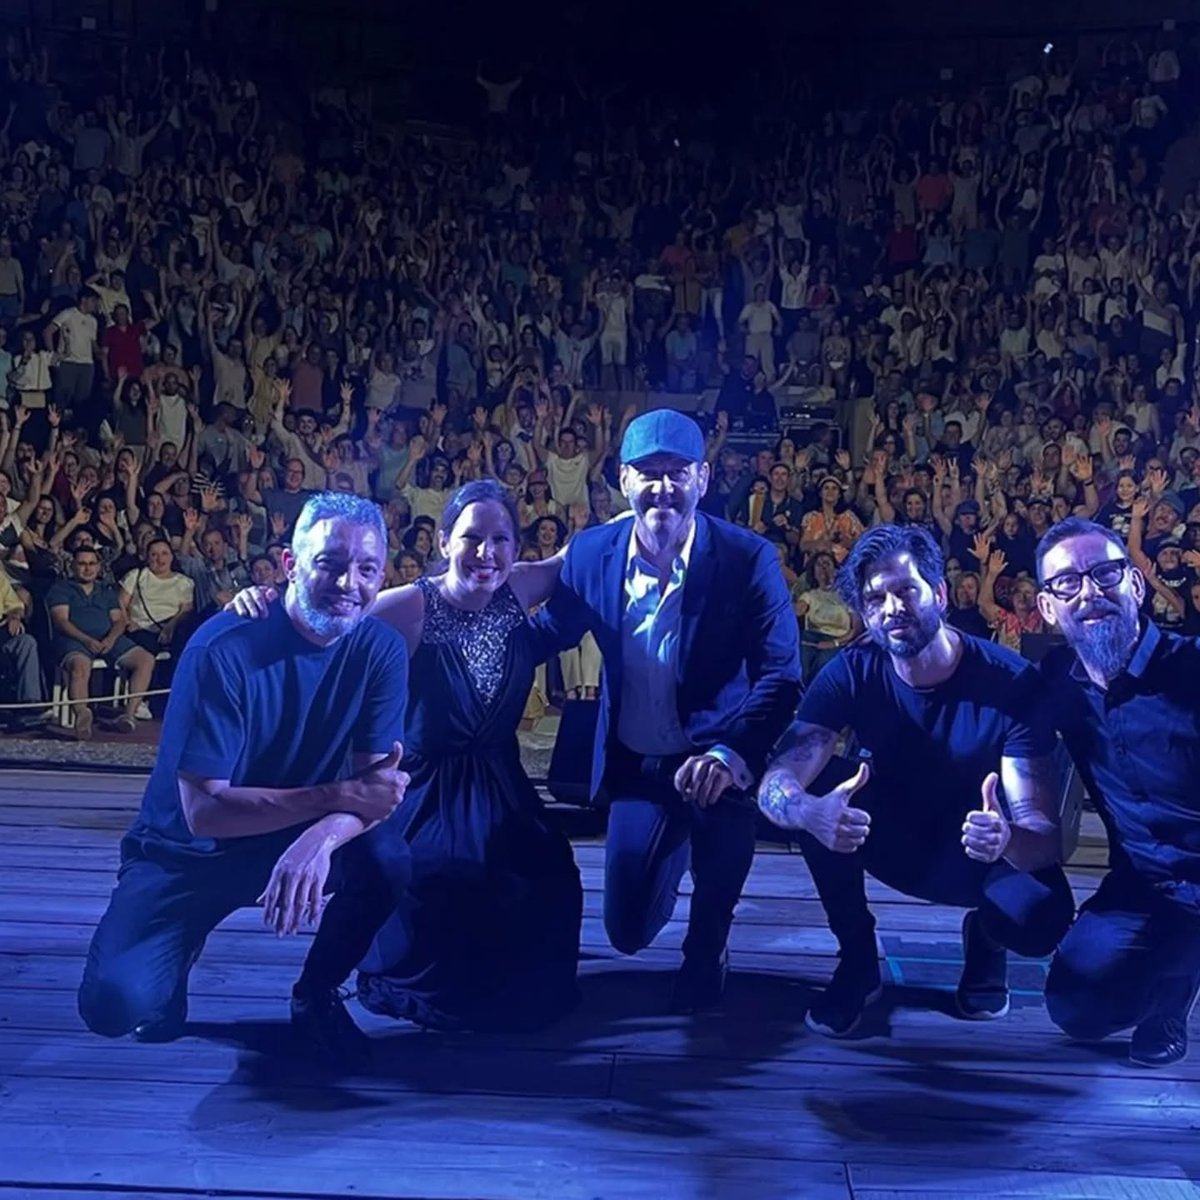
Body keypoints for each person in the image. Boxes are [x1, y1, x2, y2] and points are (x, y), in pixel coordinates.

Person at [230, 479, 582, 1033]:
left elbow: (589, 551)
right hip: (421, 788)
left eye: (501, 540)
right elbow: (319, 624)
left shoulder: (522, 587)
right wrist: (260, 602)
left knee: (546, 871)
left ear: (517, 548)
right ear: (444, 540)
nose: (486, 554)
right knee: (446, 879)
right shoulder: (408, 606)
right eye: (471, 538)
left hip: (500, 782)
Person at [78, 492, 413, 1066]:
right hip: (189, 853)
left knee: (388, 859)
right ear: (288, 564)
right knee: (114, 1005)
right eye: (329, 562)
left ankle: (317, 995)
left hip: (289, 832)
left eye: (366, 569)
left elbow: (375, 787)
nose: (348, 582)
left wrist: (321, 838)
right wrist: (335, 800)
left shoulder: (380, 648)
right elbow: (205, 812)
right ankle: (176, 954)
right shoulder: (222, 648)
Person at [757, 524, 1075, 1037]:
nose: (892, 608)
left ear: (940, 594)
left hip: (979, 852)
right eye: (875, 598)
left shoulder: (1011, 681)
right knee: (820, 795)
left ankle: (987, 941)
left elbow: (1045, 839)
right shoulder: (852, 670)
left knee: (1041, 916)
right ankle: (858, 959)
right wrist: (806, 812)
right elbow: (779, 779)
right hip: (891, 837)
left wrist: (1007, 837)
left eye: (906, 590)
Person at [534, 409, 802, 1011]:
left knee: (723, 832)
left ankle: (709, 942)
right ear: (622, 481)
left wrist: (732, 752)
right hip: (639, 761)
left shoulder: (746, 558)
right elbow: (545, 634)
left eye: (676, 472)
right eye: (647, 473)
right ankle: (668, 839)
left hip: (717, 754)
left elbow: (783, 673)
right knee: (627, 932)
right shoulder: (591, 553)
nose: (662, 488)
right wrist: (452, 627)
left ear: (702, 479)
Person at [1034, 517, 1200, 1067]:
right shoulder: (1056, 684)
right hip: (1147, 881)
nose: (1090, 591)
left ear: (1134, 585)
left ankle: (1173, 996)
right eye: (1068, 583)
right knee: (1076, 1009)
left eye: (1105, 573)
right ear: (1047, 607)